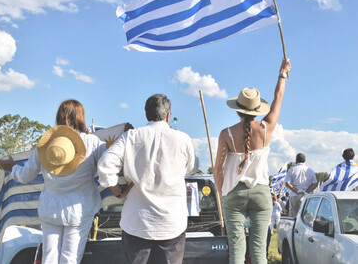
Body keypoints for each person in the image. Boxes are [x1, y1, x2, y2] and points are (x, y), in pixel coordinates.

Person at [0, 99, 106, 264]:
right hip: (80, 210)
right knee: (70, 259)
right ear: (81, 117)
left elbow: (25, 176)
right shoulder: (92, 142)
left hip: (50, 208)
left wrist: (12, 167)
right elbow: (109, 166)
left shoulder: (46, 143)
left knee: (49, 258)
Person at [98, 94, 198, 264]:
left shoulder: (131, 137)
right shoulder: (183, 139)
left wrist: (119, 192)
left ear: (146, 114)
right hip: (171, 222)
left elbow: (105, 166)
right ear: (168, 115)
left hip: (137, 221)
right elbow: (192, 168)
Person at [213, 58, 291, 264]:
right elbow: (278, 97)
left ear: (237, 109)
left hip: (234, 193)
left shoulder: (226, 134)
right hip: (261, 193)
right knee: (259, 252)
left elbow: (218, 170)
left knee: (236, 251)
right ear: (257, 110)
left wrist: (222, 194)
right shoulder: (267, 128)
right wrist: (282, 74)